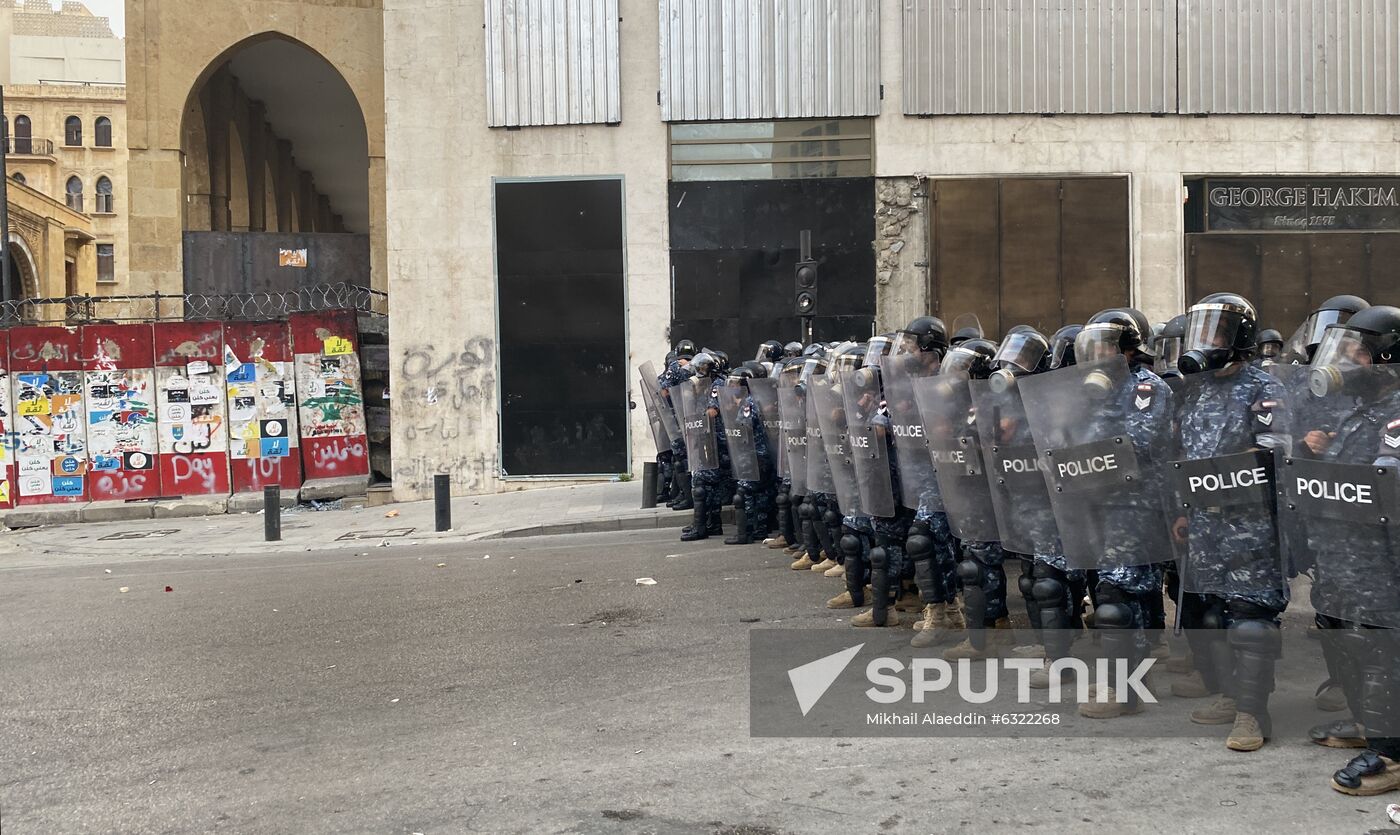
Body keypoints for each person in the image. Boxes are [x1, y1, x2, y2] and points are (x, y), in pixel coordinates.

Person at [1289, 305, 1400, 794]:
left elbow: (1387, 487)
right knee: (1347, 643)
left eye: (1358, 353)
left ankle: (1392, 755)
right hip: (1342, 562)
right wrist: (1317, 451)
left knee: (1382, 651)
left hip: (1380, 566)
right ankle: (1369, 727)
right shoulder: (1363, 414)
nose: (1346, 362)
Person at [1173, 294, 1292, 750]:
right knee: (1217, 614)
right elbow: (1187, 455)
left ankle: (1252, 713)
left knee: (1250, 617)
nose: (1205, 341)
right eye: (1201, 330)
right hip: (1206, 522)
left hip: (1251, 523)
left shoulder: (1264, 387)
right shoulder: (1198, 391)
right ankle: (1231, 694)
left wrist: (1218, 474)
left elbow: (1271, 450)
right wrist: (1186, 509)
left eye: (1216, 331)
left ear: (1239, 338)